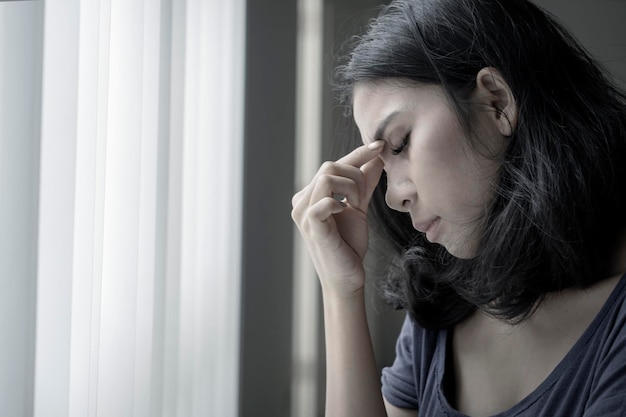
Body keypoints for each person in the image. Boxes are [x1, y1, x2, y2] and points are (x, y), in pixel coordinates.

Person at [291, 0, 626, 416]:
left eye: (400, 144)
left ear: (496, 103)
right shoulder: (442, 307)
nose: (393, 198)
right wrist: (341, 291)